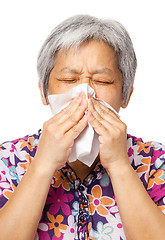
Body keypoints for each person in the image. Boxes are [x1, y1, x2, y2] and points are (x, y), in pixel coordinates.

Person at [0, 14, 165, 240]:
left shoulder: (155, 161)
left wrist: (119, 165)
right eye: (69, 80)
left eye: (103, 81)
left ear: (126, 95)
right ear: (43, 92)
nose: (85, 94)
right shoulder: (8, 160)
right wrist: (43, 164)